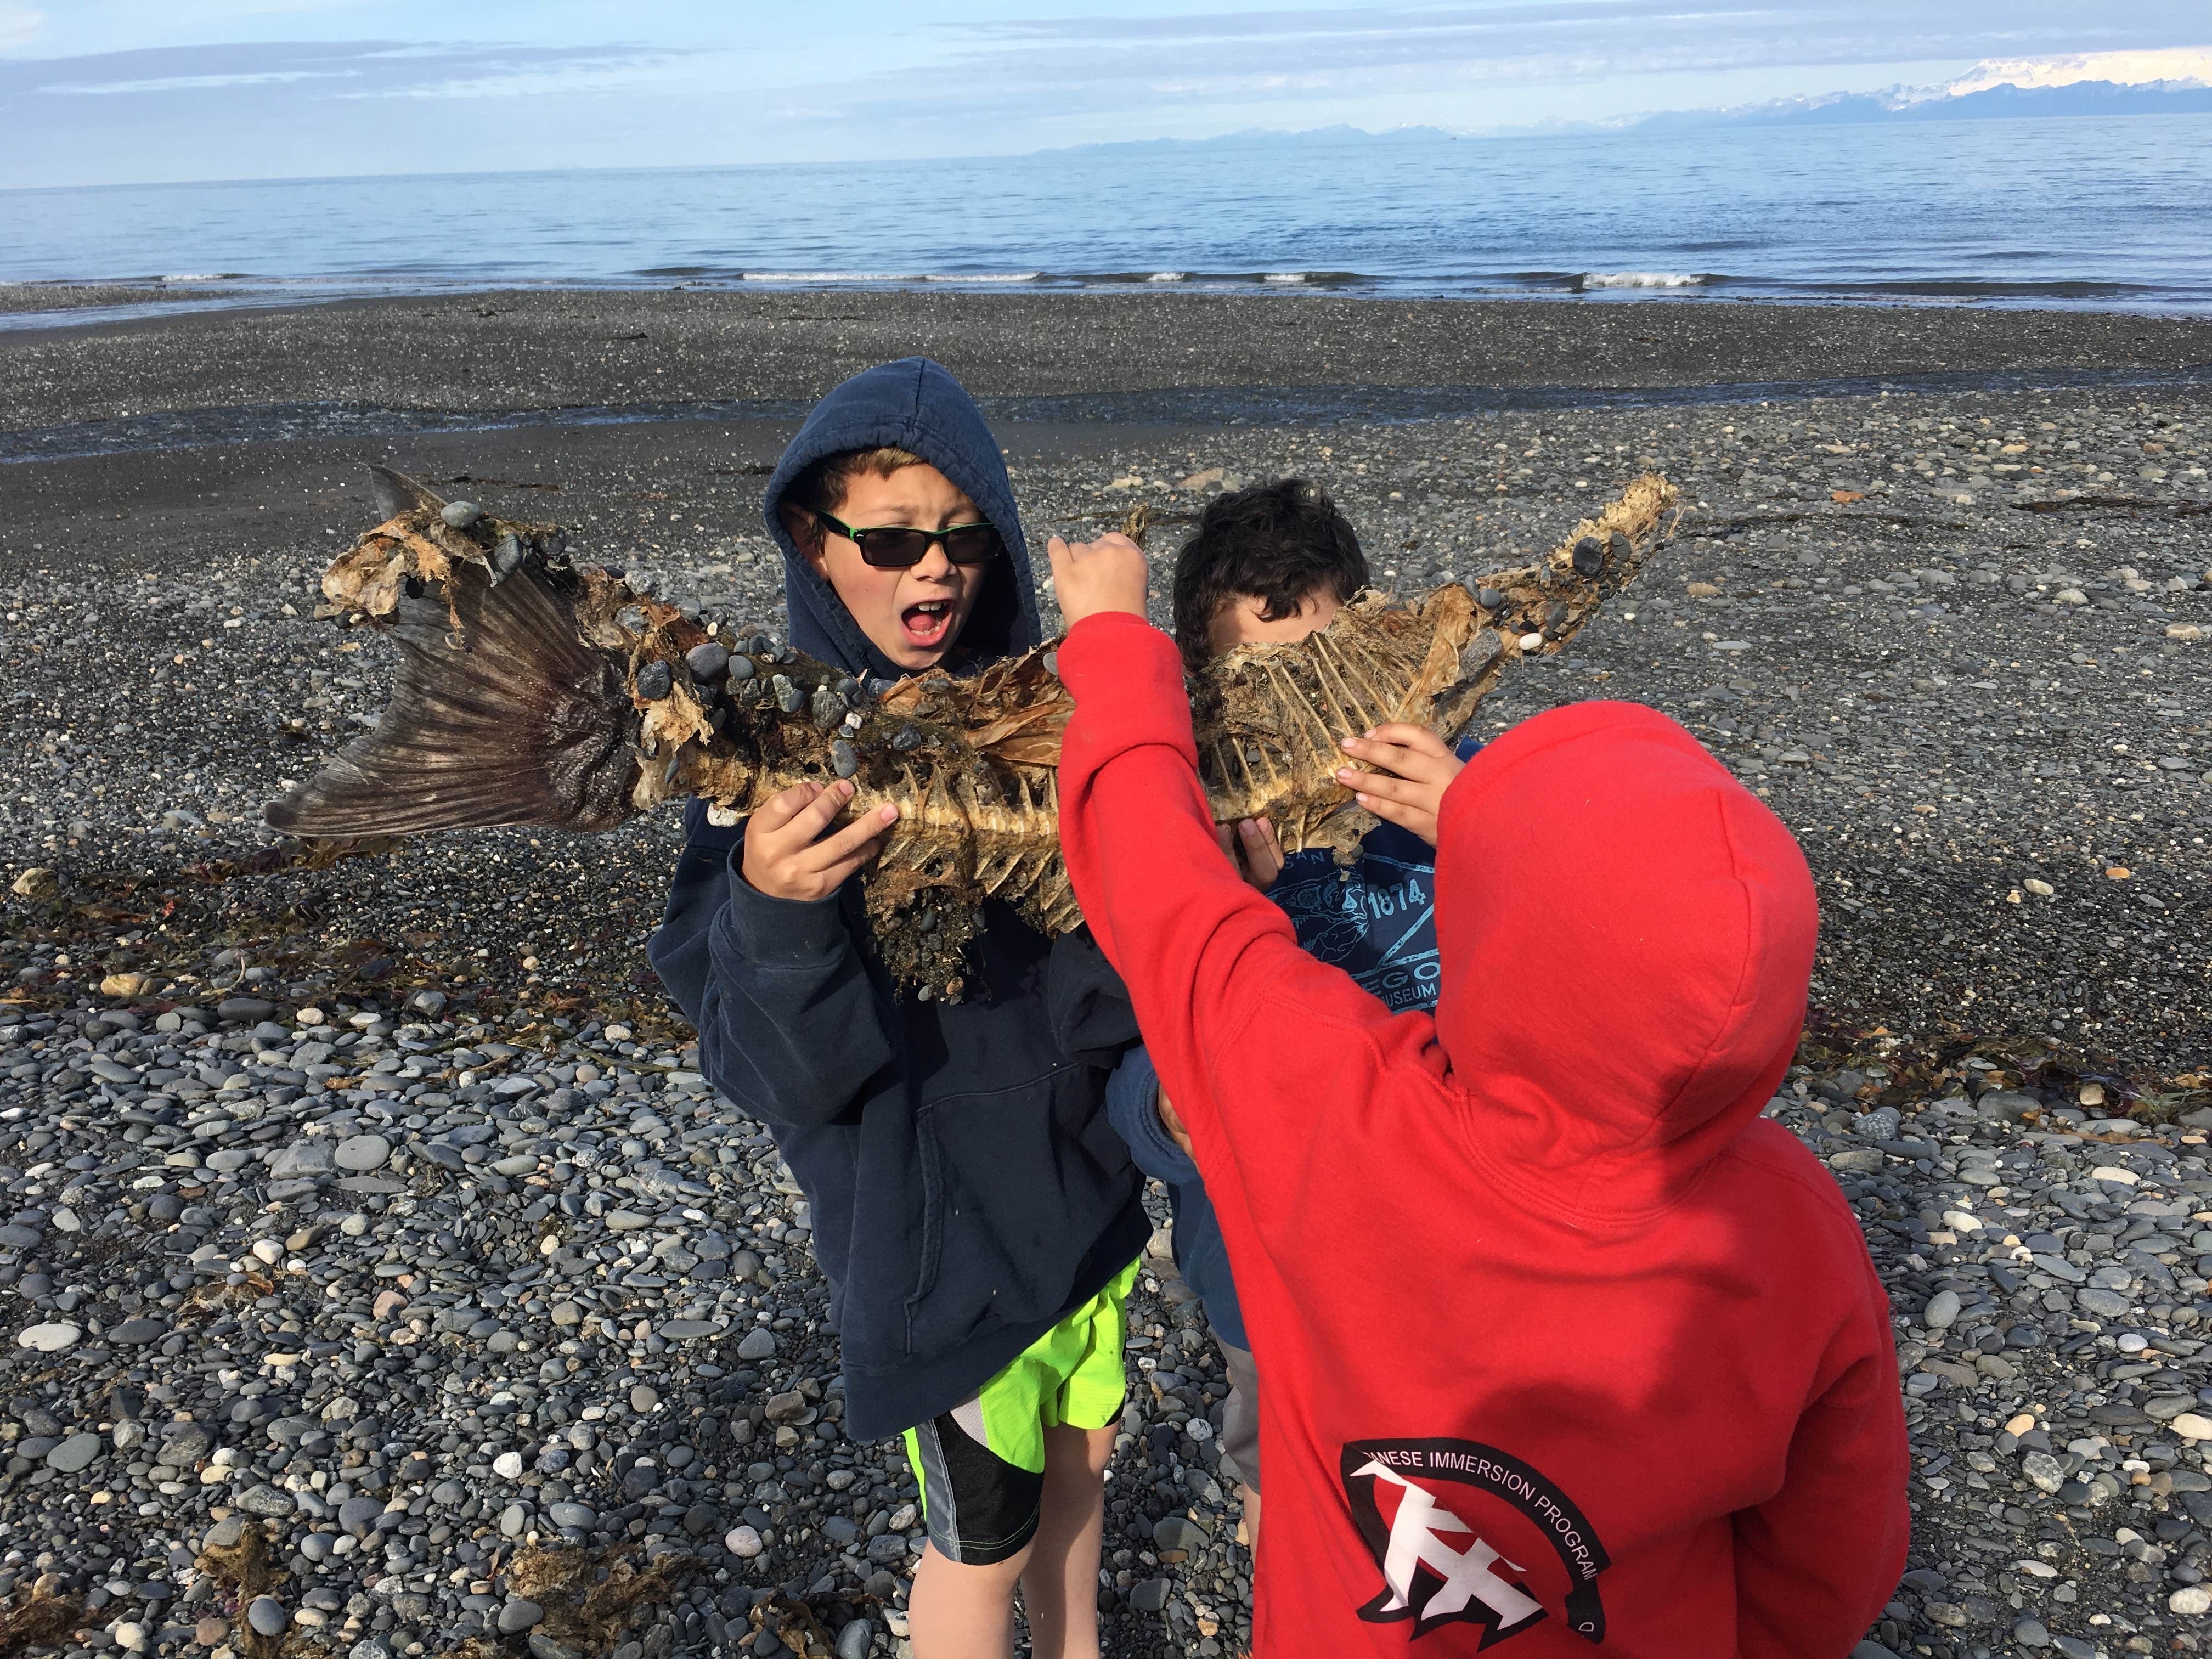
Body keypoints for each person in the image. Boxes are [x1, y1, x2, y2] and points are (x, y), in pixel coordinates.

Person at [1047, 526, 1911, 1655]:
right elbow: (1833, 1563)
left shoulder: (1337, 1105)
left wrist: (1116, 647)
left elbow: (1165, 898)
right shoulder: (1793, 1229)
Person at [650, 358, 1149, 1659]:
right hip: (940, 1265)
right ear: (814, 544)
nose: (934, 569)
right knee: (980, 1547)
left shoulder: (1044, 727)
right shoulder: (765, 780)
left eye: (965, 538)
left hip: (1090, 1214)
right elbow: (774, 1073)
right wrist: (774, 906)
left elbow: (1110, 998)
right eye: (890, 541)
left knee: (1083, 1477)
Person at [1107, 478, 1477, 1553]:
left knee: (1467, 1487)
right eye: (1263, 684)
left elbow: (1596, 966)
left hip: (1457, 1244)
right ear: (1205, 691)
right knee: (1286, 1471)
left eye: (1331, 669)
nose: (1308, 716)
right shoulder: (1184, 849)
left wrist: (1480, 826)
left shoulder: (1457, 795)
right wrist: (1232, 929)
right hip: (1268, 1269)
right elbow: (1135, 1095)